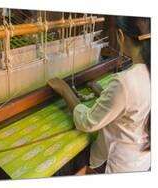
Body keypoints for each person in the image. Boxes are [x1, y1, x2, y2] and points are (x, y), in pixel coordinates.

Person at [47, 16, 151, 173]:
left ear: (121, 36)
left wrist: (64, 90)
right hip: (142, 162)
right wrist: (103, 93)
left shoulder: (125, 82)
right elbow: (135, 106)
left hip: (118, 166)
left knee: (62, 169)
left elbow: (88, 122)